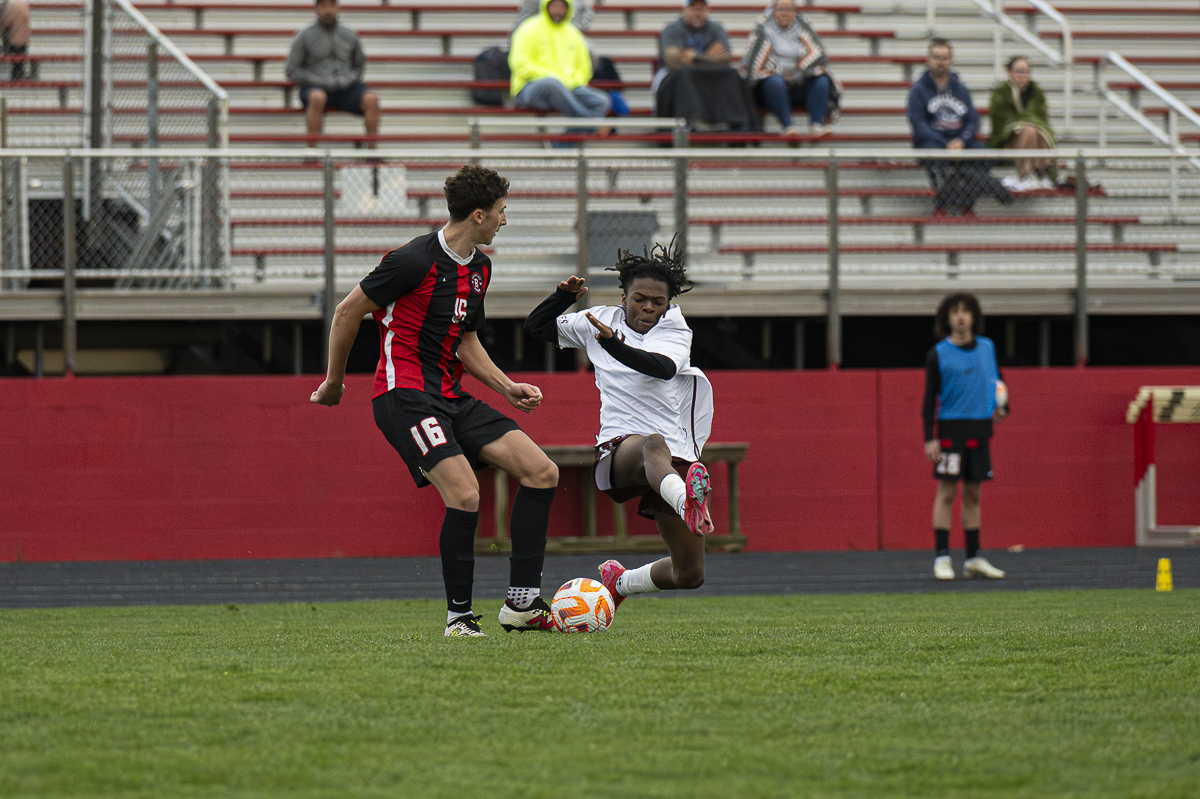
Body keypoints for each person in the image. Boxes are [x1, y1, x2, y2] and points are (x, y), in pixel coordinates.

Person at [311, 165, 560, 638]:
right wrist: (334, 382)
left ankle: (523, 605)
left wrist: (507, 387)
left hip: (450, 395)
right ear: (479, 215)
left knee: (541, 471)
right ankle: (458, 619)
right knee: (465, 494)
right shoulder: (412, 260)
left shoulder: (480, 268)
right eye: (502, 211)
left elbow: (466, 342)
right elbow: (346, 312)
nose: (505, 220)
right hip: (404, 395)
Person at [524, 242, 715, 611]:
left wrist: (612, 345)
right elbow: (535, 327)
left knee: (689, 574)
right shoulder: (598, 319)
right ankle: (686, 501)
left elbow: (660, 368)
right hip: (619, 451)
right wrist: (561, 298)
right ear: (624, 297)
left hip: (673, 460)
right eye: (640, 299)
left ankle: (621, 582)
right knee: (651, 443)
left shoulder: (676, 330)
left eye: (658, 302)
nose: (648, 308)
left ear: (669, 304)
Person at [921, 293, 1007, 581]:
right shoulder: (938, 353)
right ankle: (942, 557)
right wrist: (929, 437)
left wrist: (1003, 406)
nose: (960, 316)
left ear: (974, 317)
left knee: (973, 494)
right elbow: (929, 399)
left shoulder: (987, 347)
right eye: (955, 311)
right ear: (946, 318)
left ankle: (973, 558)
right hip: (950, 433)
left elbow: (997, 382)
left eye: (966, 311)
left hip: (979, 431)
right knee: (946, 493)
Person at [906, 38, 1010, 215]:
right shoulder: (918, 90)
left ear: (951, 59)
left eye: (945, 58)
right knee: (935, 156)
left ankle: (965, 204)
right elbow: (919, 124)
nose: (941, 62)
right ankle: (945, 206)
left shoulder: (961, 89)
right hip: (933, 143)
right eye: (936, 57)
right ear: (928, 59)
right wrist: (945, 144)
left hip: (960, 142)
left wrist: (961, 141)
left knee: (984, 154)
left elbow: (972, 120)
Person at [285, 0, 380, 146]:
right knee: (317, 96)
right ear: (316, 8)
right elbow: (292, 70)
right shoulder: (304, 36)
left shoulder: (350, 35)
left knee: (371, 98)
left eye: (331, 5)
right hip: (315, 87)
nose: (328, 10)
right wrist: (318, 80)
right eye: (323, 6)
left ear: (337, 7)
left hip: (346, 88)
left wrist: (348, 79)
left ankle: (373, 151)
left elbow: (359, 67)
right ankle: (312, 150)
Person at [742, 0, 841, 137]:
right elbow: (755, 66)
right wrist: (781, 73)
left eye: (788, 9)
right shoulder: (763, 28)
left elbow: (818, 55)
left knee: (822, 79)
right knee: (774, 81)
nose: (784, 13)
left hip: (800, 81)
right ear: (773, 11)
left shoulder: (803, 27)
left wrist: (796, 71)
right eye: (780, 9)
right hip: (770, 88)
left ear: (795, 12)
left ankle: (817, 124)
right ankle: (787, 126)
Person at [654, 0, 757, 131]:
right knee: (686, 74)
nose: (698, 13)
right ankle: (692, 120)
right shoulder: (672, 29)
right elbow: (671, 59)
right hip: (676, 78)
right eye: (694, 9)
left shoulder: (716, 28)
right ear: (684, 10)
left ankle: (736, 122)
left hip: (707, 77)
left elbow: (725, 57)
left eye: (702, 9)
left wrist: (695, 57)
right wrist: (708, 56)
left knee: (731, 73)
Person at [509, 0, 611, 120]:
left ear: (568, 9)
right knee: (552, 83)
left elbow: (584, 69)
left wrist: (570, 82)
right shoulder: (528, 29)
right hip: (530, 88)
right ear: (546, 6)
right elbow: (520, 64)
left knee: (602, 101)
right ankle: (588, 120)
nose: (558, 10)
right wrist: (553, 77)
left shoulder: (574, 34)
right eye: (554, 6)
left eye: (562, 6)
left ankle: (575, 130)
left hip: (567, 87)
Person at [988, 55, 1057, 190]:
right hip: (1007, 137)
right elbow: (1000, 118)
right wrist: (1023, 124)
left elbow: (1040, 117)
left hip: (1034, 135)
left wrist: (1027, 123)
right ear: (1010, 72)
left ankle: (1034, 175)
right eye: (1018, 71)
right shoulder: (1001, 92)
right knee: (1029, 131)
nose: (1022, 75)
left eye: (1025, 72)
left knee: (1035, 131)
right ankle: (1029, 175)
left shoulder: (1036, 92)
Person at [1, 0, 31, 80]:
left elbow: (6, 22)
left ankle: (16, 77)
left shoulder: (13, 7)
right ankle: (18, 75)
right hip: (24, 38)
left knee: (15, 58)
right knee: (19, 59)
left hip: (15, 38)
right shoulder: (23, 6)